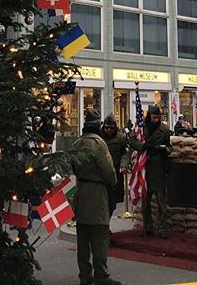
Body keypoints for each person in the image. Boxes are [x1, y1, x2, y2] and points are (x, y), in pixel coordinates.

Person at [71, 109, 121, 285]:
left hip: (81, 192)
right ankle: (101, 275)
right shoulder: (99, 144)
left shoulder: (77, 143)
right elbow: (109, 171)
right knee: (99, 237)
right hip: (97, 194)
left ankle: (85, 277)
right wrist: (113, 181)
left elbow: (73, 167)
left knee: (83, 239)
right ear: (98, 125)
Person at [129, 104, 172, 239]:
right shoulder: (141, 128)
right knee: (146, 201)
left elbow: (170, 146)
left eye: (158, 118)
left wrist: (166, 150)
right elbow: (131, 140)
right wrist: (143, 146)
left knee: (161, 202)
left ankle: (162, 228)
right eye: (154, 117)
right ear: (149, 117)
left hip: (158, 168)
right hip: (145, 167)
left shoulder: (164, 130)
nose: (156, 120)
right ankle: (148, 226)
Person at [100, 114, 130, 217]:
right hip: (102, 173)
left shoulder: (120, 138)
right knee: (102, 202)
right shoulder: (98, 137)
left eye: (111, 128)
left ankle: (106, 222)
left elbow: (125, 153)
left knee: (113, 202)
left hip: (116, 173)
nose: (108, 130)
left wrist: (124, 165)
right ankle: (104, 226)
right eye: (106, 127)